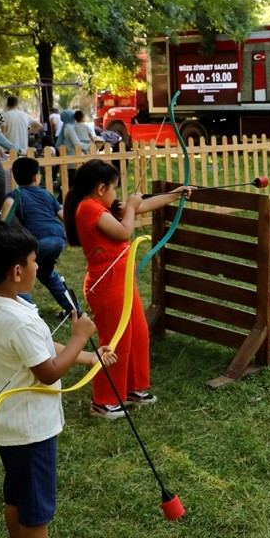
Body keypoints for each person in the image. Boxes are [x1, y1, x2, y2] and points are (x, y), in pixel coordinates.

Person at [0, 220, 113, 538]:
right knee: (36, 510)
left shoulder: (0, 303)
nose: (39, 267)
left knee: (17, 497)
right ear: (18, 271)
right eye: (34, 262)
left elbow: (45, 349)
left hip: (11, 426)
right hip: (32, 429)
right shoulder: (18, 318)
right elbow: (47, 370)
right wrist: (83, 336)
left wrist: (89, 357)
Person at [64, 159, 192, 419]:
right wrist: (131, 207)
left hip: (121, 281)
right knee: (115, 340)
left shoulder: (102, 205)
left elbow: (141, 205)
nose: (116, 194)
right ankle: (104, 400)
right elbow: (124, 232)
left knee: (137, 333)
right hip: (106, 285)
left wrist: (176, 193)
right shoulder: (89, 208)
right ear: (100, 188)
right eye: (113, 188)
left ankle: (132, 388)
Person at [1, 157, 77, 317]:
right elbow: (64, 216)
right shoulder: (46, 194)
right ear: (36, 177)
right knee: (46, 273)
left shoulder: (15, 194)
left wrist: (3, 230)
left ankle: (31, 313)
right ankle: (74, 311)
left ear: (15, 177)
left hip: (38, 241)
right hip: (58, 238)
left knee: (18, 275)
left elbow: (6, 215)